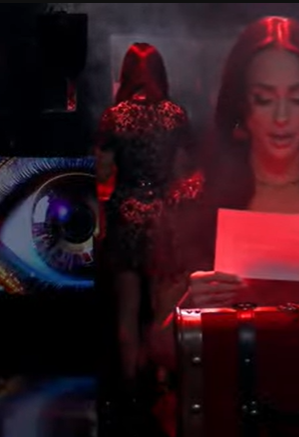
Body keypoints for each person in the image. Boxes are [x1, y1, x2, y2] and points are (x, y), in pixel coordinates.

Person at [144, 16, 299, 436]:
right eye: (264, 99)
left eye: (298, 99)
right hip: (227, 418)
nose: (282, 117)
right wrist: (191, 308)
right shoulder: (193, 203)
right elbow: (159, 349)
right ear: (241, 107)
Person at [94, 42, 193, 390]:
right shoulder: (174, 115)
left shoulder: (114, 117)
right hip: (163, 214)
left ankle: (130, 383)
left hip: (126, 212)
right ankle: (163, 380)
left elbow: (103, 173)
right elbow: (183, 173)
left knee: (128, 308)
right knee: (161, 305)